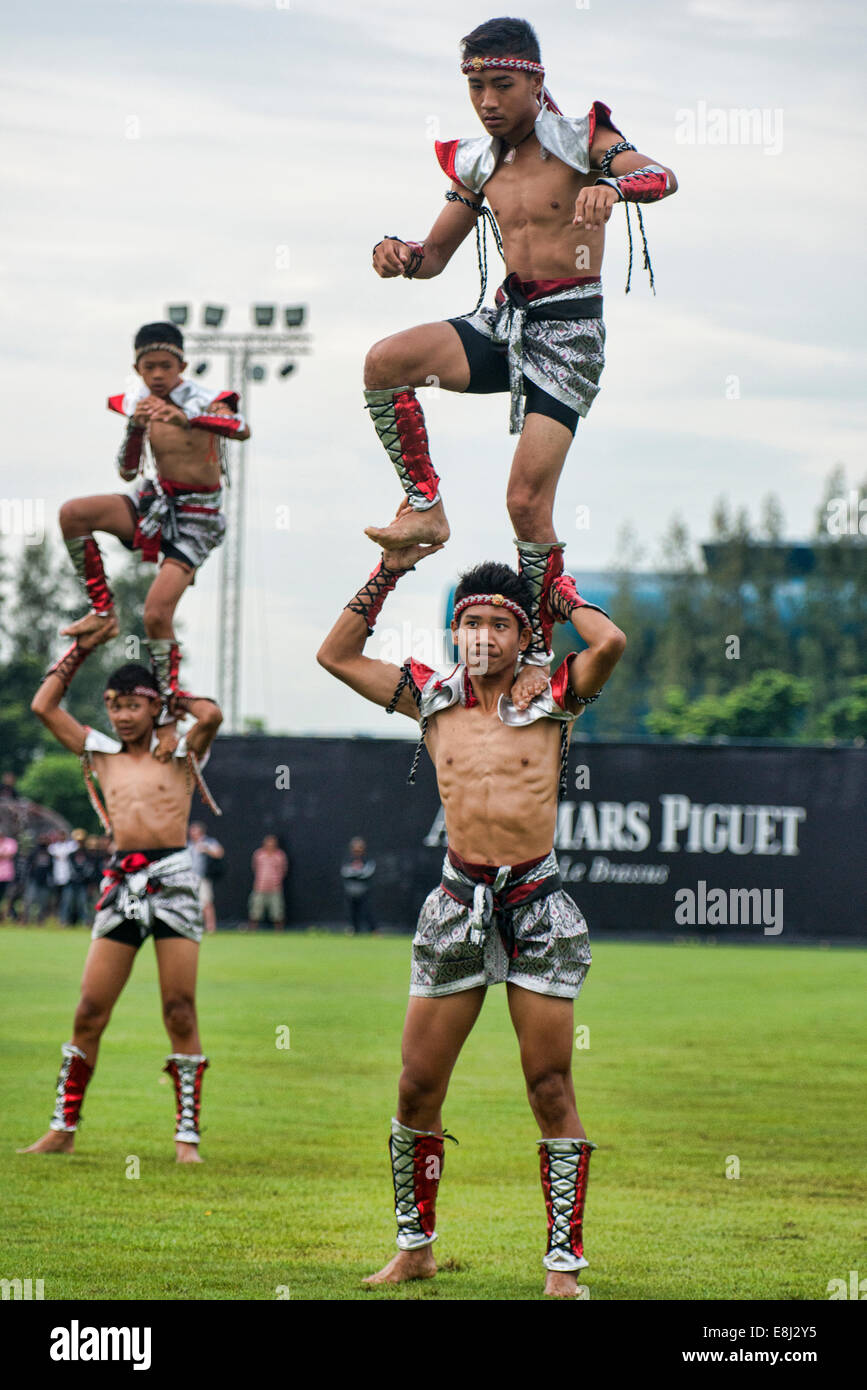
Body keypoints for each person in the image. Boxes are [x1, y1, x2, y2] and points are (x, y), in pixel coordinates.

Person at [317, 543, 626, 1297]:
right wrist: (388, 571)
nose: (480, 637)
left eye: (495, 623)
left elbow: (609, 642)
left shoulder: (556, 690)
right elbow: (334, 654)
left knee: (549, 1087)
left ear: (524, 634)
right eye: (468, 623)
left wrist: (559, 589)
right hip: (456, 904)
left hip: (537, 907)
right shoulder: (428, 695)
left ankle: (562, 1268)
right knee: (416, 1087)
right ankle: (414, 1248)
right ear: (452, 631)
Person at [362, 16, 675, 674]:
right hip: (505, 321)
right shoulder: (477, 162)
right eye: (474, 87)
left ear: (535, 82)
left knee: (525, 504)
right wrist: (397, 254)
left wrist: (609, 185)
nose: (486, 103)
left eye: (500, 85)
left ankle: (535, 654)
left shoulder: (580, 140)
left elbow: (662, 177)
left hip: (568, 337)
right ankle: (424, 509)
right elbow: (433, 257)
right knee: (384, 363)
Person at [19, 630, 222, 1162]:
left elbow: (214, 716)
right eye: (114, 705)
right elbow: (44, 704)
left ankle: (187, 1139)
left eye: (133, 705)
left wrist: (172, 705)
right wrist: (82, 648)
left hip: (174, 879)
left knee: (179, 1010)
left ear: (152, 706)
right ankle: (62, 1127)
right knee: (89, 1009)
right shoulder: (100, 751)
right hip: (119, 881)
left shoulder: (177, 752)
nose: (122, 715)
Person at [57, 320, 248, 760]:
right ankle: (102, 611)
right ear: (137, 369)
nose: (158, 375)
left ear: (181, 364)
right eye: (149, 367)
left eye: (166, 366)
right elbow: (127, 471)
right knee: (73, 514)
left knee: (157, 614)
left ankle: (165, 716)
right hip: (154, 499)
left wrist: (186, 417)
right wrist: (136, 428)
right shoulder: (139, 402)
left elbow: (241, 428)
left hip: (198, 515)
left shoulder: (203, 399)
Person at [246, 834, 289, 932]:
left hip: (275, 888)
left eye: (272, 842)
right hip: (259, 887)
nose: (270, 844)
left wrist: (276, 880)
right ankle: (252, 931)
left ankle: (279, 932)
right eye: (268, 842)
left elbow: (283, 870)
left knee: (277, 912)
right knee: (255, 911)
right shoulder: (259, 854)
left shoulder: (280, 855)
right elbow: (255, 868)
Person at [188, 821, 225, 935]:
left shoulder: (208, 842)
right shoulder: (188, 844)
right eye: (191, 830)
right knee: (189, 903)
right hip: (189, 878)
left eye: (194, 830)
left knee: (206, 903)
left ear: (200, 831)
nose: (192, 833)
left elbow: (219, 853)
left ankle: (210, 927)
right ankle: (192, 927)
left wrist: (206, 849)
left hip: (203, 878)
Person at [341, 837, 377, 934]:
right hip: (350, 892)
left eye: (359, 848)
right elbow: (345, 872)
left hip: (363, 891)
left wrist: (355, 873)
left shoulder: (367, 859)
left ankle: (374, 931)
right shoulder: (347, 859)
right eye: (355, 848)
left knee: (366, 911)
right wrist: (358, 873)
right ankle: (353, 930)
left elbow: (367, 873)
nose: (357, 851)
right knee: (352, 913)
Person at [0, 832, 18, 921]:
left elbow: (10, 855)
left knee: (9, 898)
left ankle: (9, 917)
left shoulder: (10, 842)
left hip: (7, 875)